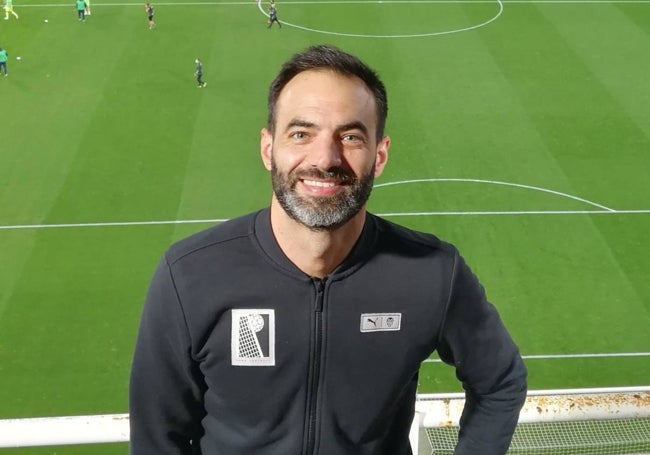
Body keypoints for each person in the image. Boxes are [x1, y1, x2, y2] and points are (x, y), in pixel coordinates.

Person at [129, 44, 527, 455]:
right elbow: (158, 439)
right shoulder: (190, 275)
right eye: (301, 133)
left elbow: (500, 381)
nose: (325, 158)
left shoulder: (431, 273)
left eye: (351, 136)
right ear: (268, 148)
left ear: (380, 155)